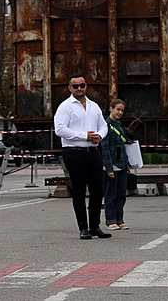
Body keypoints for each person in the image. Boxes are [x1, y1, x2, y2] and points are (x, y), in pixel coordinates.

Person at [54, 74, 111, 240]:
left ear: (86, 86)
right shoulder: (65, 107)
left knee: (97, 190)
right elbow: (60, 129)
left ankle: (95, 226)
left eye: (82, 85)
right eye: (76, 86)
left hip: (93, 152)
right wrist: (84, 136)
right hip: (74, 152)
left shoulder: (94, 106)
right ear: (70, 88)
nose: (79, 89)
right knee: (79, 190)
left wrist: (99, 136)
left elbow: (104, 125)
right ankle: (83, 228)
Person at [101, 99, 130, 231]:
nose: (120, 112)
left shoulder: (118, 125)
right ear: (111, 108)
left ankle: (120, 219)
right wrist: (108, 168)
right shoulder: (105, 126)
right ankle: (110, 220)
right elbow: (105, 148)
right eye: (117, 109)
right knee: (110, 194)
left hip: (122, 165)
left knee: (121, 194)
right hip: (112, 165)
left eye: (122, 110)